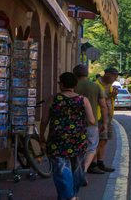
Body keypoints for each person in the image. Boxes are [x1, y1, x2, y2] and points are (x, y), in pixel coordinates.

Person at [39, 72, 95, 200]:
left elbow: (44, 120)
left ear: (62, 84)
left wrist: (42, 135)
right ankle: (72, 194)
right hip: (78, 138)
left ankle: (68, 196)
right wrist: (80, 125)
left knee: (61, 167)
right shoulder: (83, 100)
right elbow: (91, 121)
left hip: (57, 138)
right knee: (78, 167)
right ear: (74, 85)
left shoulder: (53, 99)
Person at [72, 64, 106, 177]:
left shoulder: (72, 85)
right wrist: (104, 122)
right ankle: (84, 169)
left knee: (75, 148)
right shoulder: (95, 86)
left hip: (73, 123)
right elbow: (103, 106)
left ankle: (76, 168)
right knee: (91, 148)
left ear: (74, 74)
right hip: (92, 122)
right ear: (87, 74)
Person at [94, 67, 119, 173]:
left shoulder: (109, 86)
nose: (115, 78)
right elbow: (99, 100)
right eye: (114, 76)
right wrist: (111, 95)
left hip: (108, 116)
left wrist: (113, 95)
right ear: (107, 74)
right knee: (97, 141)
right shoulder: (96, 85)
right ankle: (93, 164)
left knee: (104, 140)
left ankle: (100, 163)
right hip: (99, 116)